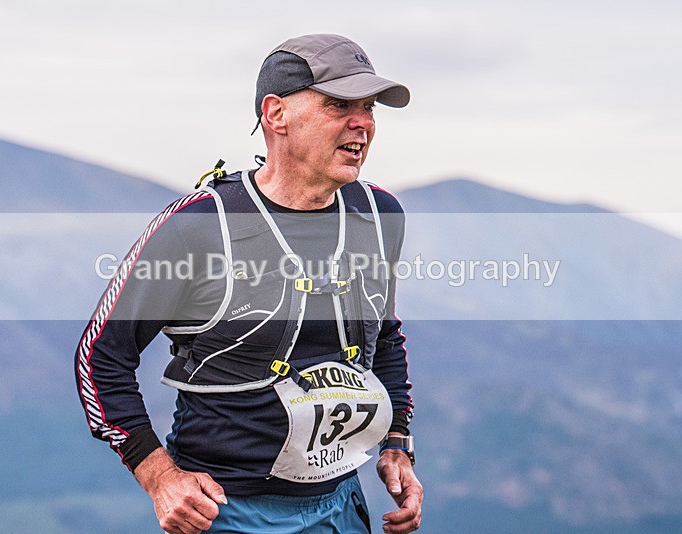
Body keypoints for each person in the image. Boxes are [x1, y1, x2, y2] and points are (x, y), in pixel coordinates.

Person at [75, 33, 422, 533]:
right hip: (225, 511)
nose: (363, 123)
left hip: (341, 506)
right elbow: (100, 356)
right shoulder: (199, 226)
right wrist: (158, 476)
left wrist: (397, 443)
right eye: (339, 104)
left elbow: (384, 337)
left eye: (369, 108)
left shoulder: (379, 214)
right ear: (276, 114)